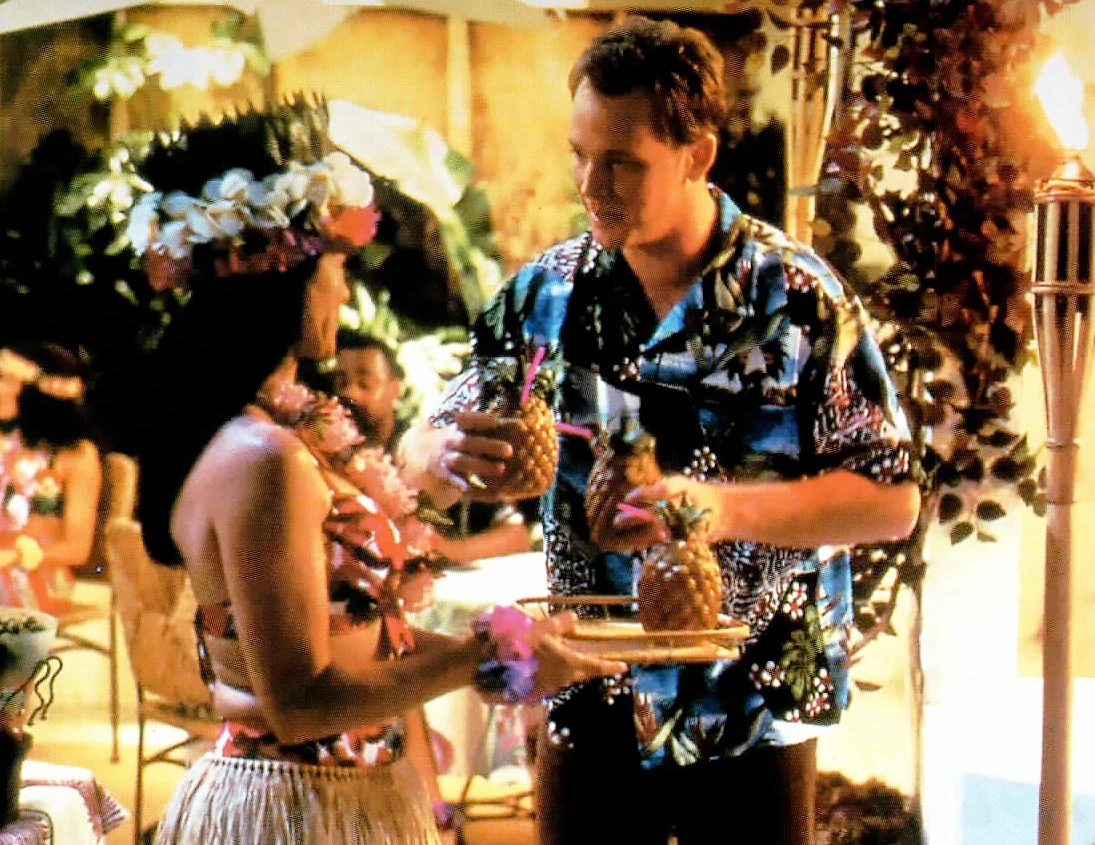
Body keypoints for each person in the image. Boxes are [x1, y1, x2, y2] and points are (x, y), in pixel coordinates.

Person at [402, 16, 920, 845]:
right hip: (587, 697)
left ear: (696, 154)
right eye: (579, 153)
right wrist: (443, 450)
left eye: (621, 161)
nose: (590, 183)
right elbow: (419, 448)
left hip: (752, 708)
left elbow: (890, 501)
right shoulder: (545, 293)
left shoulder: (798, 298)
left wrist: (719, 507)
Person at [94, 101, 624, 845]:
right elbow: (299, 702)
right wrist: (484, 657)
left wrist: (511, 646)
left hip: (343, 792)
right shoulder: (265, 459)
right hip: (292, 808)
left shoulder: (283, 433)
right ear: (282, 278)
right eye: (336, 269)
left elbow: (363, 636)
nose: (344, 293)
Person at [332, 329, 534, 565]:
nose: (349, 393)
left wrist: (439, 551)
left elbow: (516, 535)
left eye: (364, 383)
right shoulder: (321, 451)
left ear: (396, 388)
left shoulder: (428, 452)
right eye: (341, 382)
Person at [0, 343, 102, 614]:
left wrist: (15, 555)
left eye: (6, 379)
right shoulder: (6, 444)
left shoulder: (78, 455)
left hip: (37, 578)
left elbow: (77, 548)